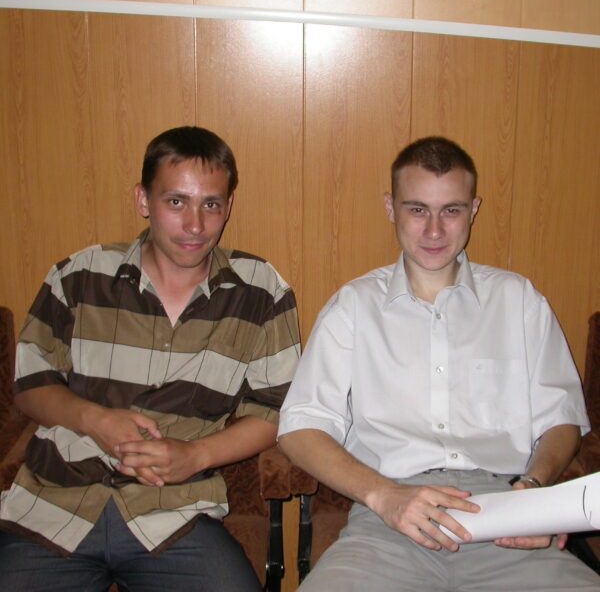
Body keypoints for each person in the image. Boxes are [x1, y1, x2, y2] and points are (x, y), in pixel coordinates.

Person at [278, 136, 600, 591]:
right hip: (389, 520)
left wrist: (534, 489)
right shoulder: (353, 307)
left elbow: (561, 420)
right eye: (417, 209)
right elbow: (299, 428)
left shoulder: (518, 300)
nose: (434, 231)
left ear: (474, 209)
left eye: (451, 210)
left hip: (506, 516)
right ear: (390, 208)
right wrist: (384, 496)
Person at [0, 126, 300, 591]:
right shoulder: (79, 275)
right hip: (55, 506)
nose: (195, 225)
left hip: (175, 514)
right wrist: (96, 420)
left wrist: (195, 455)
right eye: (176, 201)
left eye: (211, 204)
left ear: (228, 207)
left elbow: (275, 411)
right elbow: (31, 383)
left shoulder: (261, 293)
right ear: (143, 200)